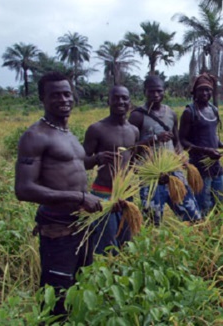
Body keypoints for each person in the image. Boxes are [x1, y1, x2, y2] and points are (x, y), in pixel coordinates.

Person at [15, 72, 103, 318]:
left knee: (80, 288)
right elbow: (23, 189)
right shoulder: (35, 136)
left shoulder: (69, 135)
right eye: (56, 95)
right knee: (56, 298)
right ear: (42, 98)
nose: (64, 99)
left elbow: (74, 167)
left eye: (67, 93)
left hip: (82, 227)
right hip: (58, 231)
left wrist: (96, 161)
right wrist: (79, 198)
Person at [129, 75, 201, 225]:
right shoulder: (137, 116)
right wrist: (154, 138)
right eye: (151, 91)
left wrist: (180, 155)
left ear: (164, 92)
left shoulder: (171, 113)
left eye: (159, 91)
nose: (156, 95)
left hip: (174, 172)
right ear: (145, 92)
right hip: (150, 175)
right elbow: (131, 147)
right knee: (152, 221)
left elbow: (177, 141)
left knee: (192, 215)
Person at [83, 86, 139, 255]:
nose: (120, 102)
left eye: (124, 98)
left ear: (130, 102)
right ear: (108, 101)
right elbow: (82, 162)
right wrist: (97, 158)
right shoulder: (97, 129)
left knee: (125, 244)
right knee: (106, 248)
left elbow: (133, 162)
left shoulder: (134, 130)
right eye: (116, 98)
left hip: (126, 196)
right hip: (103, 195)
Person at [179, 73, 223, 214]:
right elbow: (183, 141)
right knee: (202, 205)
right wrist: (205, 150)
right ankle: (201, 230)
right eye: (201, 89)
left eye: (208, 89)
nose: (205, 93)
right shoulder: (189, 112)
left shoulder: (213, 110)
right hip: (199, 166)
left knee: (219, 200)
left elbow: (213, 135)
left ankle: (215, 229)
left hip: (215, 164)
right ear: (195, 91)